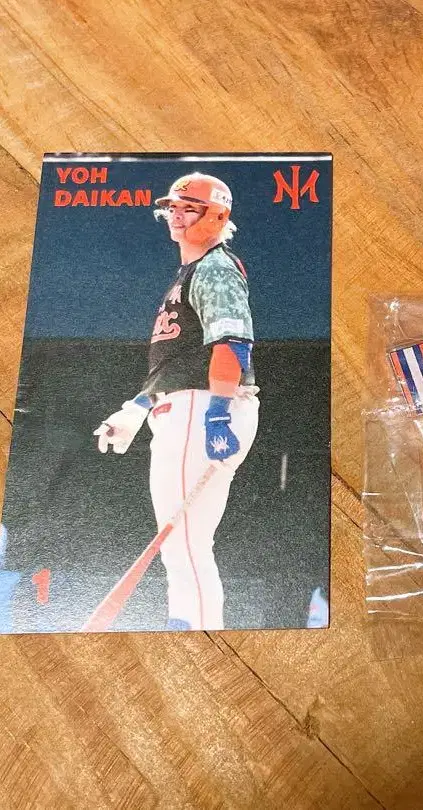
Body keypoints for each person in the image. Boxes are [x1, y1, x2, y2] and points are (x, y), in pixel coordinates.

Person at [93, 173, 259, 631]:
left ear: (218, 215)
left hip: (204, 408)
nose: (177, 215)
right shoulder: (190, 272)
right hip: (189, 408)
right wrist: (137, 408)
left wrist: (218, 414)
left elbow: (233, 343)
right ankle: (187, 624)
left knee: (184, 544)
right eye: (173, 207)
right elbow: (180, 359)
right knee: (181, 546)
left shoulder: (215, 267)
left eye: (190, 208)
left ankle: (196, 631)